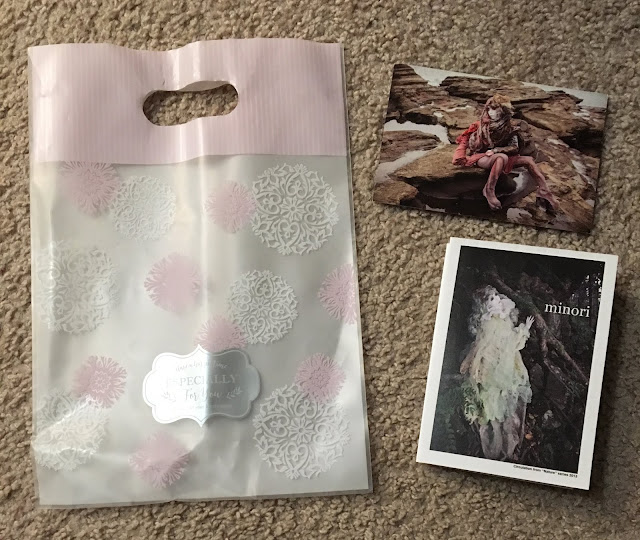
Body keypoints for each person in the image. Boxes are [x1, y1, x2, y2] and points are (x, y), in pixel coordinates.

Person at [460, 286, 533, 461]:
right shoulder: (488, 323)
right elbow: (480, 345)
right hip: (491, 365)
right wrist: (472, 363)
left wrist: (524, 329)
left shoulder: (503, 319)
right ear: (485, 305)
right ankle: (495, 444)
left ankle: (507, 443)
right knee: (492, 401)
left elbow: (512, 342)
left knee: (506, 401)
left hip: (506, 363)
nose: (497, 300)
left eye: (496, 296)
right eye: (491, 299)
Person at [452, 94, 559, 212]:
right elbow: (465, 140)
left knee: (528, 160)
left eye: (495, 109)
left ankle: (544, 191)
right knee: (501, 157)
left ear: (503, 111)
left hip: (499, 155)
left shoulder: (509, 127)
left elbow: (514, 147)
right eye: (489, 109)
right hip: (481, 157)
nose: (491, 112)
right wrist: (459, 155)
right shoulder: (480, 125)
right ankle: (489, 190)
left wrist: (496, 150)